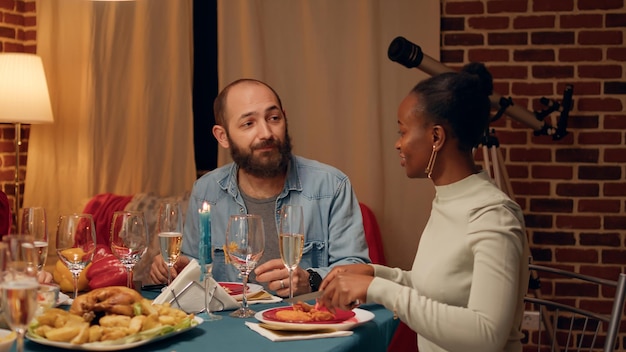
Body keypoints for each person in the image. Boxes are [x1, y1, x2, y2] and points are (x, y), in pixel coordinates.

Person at [319, 63, 530, 352]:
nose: (398, 144)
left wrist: (377, 289)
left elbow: (486, 335)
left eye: (403, 131)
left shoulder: (492, 215)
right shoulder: (450, 199)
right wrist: (374, 273)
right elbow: (436, 288)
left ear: (436, 138)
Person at [149, 78, 370, 297]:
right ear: (222, 136)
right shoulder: (207, 191)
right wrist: (177, 269)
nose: (266, 133)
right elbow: (195, 268)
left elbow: (357, 268)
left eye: (274, 118)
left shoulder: (330, 185)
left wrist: (312, 279)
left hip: (305, 322)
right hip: (230, 324)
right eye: (248, 123)